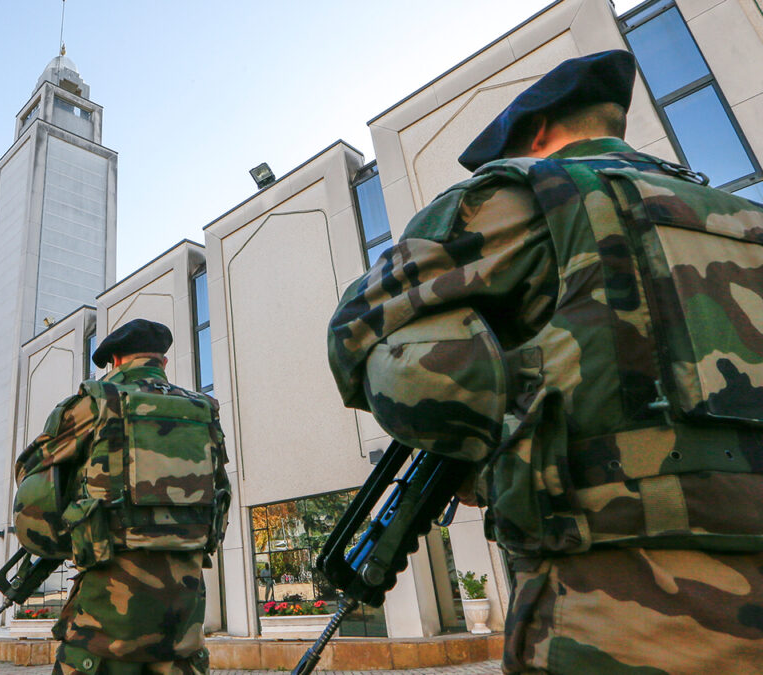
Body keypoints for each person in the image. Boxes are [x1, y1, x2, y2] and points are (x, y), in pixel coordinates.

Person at [327, 49, 763, 674]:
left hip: (612, 603)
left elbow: (356, 330)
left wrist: (490, 443)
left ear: (536, 136)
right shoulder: (745, 221)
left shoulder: (528, 197)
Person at [13, 319, 231, 675]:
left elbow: (31, 471)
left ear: (115, 360)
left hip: (104, 627)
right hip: (183, 626)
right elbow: (221, 491)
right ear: (162, 362)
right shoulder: (203, 409)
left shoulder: (95, 404)